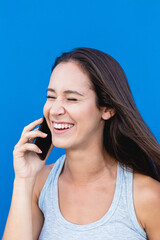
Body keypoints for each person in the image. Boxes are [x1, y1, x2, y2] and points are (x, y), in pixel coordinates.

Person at [2, 47, 160, 240]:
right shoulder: (39, 184)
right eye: (51, 96)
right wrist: (23, 180)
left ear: (107, 108)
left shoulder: (147, 196)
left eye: (72, 98)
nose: (55, 110)